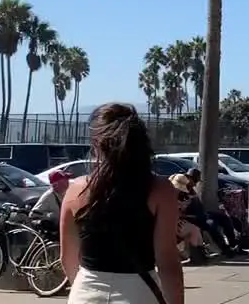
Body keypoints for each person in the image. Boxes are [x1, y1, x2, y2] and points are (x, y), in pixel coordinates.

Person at [60, 102, 184, 304]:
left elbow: (68, 259)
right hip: (139, 293)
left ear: (97, 145)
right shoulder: (160, 190)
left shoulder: (76, 190)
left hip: (86, 292)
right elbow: (167, 262)